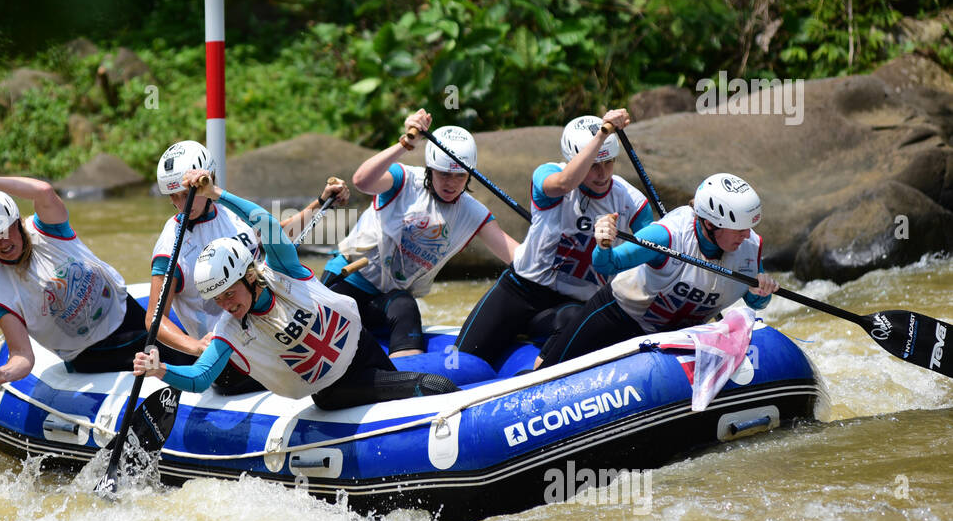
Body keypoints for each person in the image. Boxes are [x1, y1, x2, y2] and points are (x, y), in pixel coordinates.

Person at [133, 171, 459, 411]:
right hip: (335, 387)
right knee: (436, 386)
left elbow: (265, 222)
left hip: (363, 349)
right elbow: (199, 378)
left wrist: (217, 193)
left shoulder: (284, 272)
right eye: (217, 299)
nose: (225, 305)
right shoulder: (228, 331)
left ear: (249, 277)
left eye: (229, 294)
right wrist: (160, 369)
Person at [0, 168, 190, 393]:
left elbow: (42, 191)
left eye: (3, 231)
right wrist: (3, 373)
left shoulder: (48, 228)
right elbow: (23, 355)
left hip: (126, 313)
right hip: (92, 354)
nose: (2, 243)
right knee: (178, 362)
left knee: (187, 356)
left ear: (16, 222)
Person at [455, 109, 655, 368]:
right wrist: (603, 132)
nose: (603, 173)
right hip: (521, 290)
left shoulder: (632, 202)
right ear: (576, 159)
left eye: (609, 163)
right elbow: (563, 184)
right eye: (594, 164)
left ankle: (535, 378)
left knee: (574, 317)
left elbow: (652, 256)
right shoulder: (547, 175)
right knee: (463, 363)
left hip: (573, 305)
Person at [323, 109, 520, 357]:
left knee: (406, 305)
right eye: (444, 173)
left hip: (387, 301)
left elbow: (517, 257)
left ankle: (408, 383)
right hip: (346, 282)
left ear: (469, 174)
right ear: (430, 169)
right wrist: (405, 144)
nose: (451, 182)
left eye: (460, 175)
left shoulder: (473, 213)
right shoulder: (403, 181)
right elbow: (362, 181)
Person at [532, 172, 779, 369]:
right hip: (618, 317)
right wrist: (603, 243)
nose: (747, 235)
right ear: (711, 224)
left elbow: (755, 300)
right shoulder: (666, 236)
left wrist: (762, 292)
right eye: (739, 229)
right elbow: (607, 264)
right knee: (547, 369)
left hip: (677, 337)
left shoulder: (749, 246)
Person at [144, 140, 349, 365]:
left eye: (187, 194)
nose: (182, 204)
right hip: (231, 354)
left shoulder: (231, 212)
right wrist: (196, 347)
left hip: (271, 330)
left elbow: (279, 234)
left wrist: (322, 202)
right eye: (173, 196)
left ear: (208, 180)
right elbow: (154, 318)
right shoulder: (170, 246)